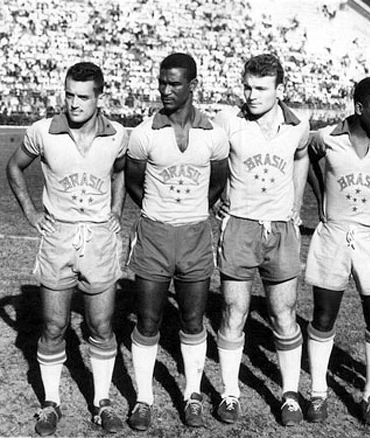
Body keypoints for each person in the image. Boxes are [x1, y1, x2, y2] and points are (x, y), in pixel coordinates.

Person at [6, 62, 128, 436]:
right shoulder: (43, 131)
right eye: (69, 95)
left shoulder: (118, 134)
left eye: (83, 97)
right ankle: (51, 403)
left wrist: (116, 211)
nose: (74, 104)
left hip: (99, 239)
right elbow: (14, 167)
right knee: (55, 325)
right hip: (58, 237)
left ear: (99, 97)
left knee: (102, 326)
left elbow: (121, 171)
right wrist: (30, 211)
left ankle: (102, 402)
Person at [124, 53, 229, 430]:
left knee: (193, 319)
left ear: (192, 86)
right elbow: (134, 180)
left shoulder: (213, 134)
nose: (166, 90)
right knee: (148, 319)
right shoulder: (143, 132)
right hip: (154, 234)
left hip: (196, 235)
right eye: (162, 82)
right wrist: (160, 209)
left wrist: (190, 213)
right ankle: (143, 399)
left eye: (175, 84)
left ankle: (193, 395)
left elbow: (217, 181)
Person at [213, 53, 310, 426]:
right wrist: (217, 198)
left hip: (281, 230)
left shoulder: (297, 125)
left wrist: (298, 202)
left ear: (279, 90)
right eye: (247, 87)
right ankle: (230, 394)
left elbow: (301, 157)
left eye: (260, 88)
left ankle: (289, 395)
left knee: (283, 313)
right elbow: (208, 158)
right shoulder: (228, 121)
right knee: (233, 311)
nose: (251, 95)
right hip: (240, 226)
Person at [304, 77, 370, 425]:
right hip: (334, 235)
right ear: (360, 108)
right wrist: (321, 200)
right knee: (322, 316)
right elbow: (307, 158)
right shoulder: (327, 137)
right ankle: (318, 394)